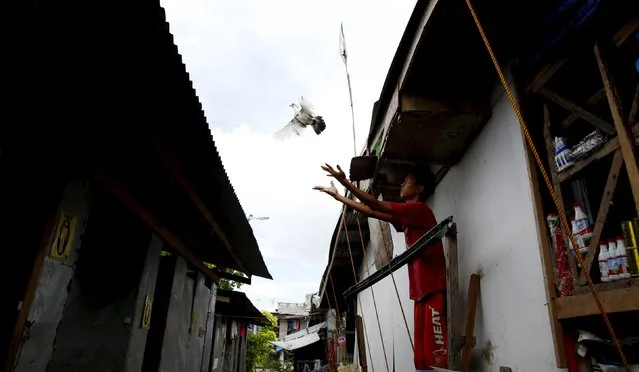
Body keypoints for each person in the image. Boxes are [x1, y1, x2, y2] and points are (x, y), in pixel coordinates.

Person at [314, 164, 448, 372]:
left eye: (408, 181)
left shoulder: (419, 210)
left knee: (435, 358)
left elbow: (374, 203)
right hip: (419, 292)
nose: (403, 184)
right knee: (420, 359)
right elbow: (370, 211)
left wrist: (344, 182)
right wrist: (339, 197)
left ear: (420, 188)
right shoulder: (408, 217)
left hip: (432, 288)